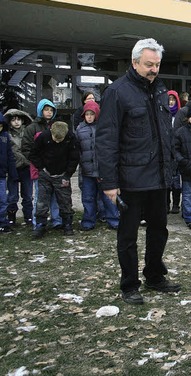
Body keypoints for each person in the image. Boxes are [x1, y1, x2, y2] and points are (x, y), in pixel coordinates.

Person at [96, 38, 181, 305]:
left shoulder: (159, 90)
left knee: (159, 230)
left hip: (158, 178)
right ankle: (130, 285)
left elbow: (164, 133)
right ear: (134, 62)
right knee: (128, 235)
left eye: (156, 64)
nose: (154, 69)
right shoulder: (117, 92)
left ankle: (155, 275)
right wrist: (109, 183)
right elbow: (107, 140)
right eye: (148, 64)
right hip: (131, 180)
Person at [29, 121, 79, 238]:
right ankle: (40, 225)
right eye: (55, 139)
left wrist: (68, 174)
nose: (57, 141)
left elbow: (74, 158)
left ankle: (67, 224)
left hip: (62, 175)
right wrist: (41, 167)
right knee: (42, 201)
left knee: (65, 201)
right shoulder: (43, 137)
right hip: (45, 175)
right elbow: (33, 154)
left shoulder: (71, 138)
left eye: (60, 139)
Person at [75, 101, 119, 231]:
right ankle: (88, 221)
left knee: (108, 197)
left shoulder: (103, 128)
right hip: (87, 171)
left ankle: (114, 220)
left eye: (92, 114)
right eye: (87, 114)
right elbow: (77, 149)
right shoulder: (79, 129)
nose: (89, 117)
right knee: (88, 197)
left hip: (102, 170)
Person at [23, 98, 63, 229]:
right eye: (46, 110)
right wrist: (39, 165)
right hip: (39, 169)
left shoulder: (55, 126)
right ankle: (38, 223)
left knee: (55, 196)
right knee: (40, 198)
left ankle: (56, 220)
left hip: (55, 168)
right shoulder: (31, 128)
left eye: (51, 110)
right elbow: (27, 149)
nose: (49, 112)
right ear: (41, 110)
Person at [5, 109, 34, 226]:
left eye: (18, 119)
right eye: (13, 120)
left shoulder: (28, 132)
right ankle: (11, 217)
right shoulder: (6, 135)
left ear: (22, 120)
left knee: (27, 195)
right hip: (13, 168)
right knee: (12, 196)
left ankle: (28, 217)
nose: (16, 122)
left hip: (26, 168)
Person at [0, 112, 18, 233]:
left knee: (3, 200)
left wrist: (13, 173)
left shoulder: (5, 136)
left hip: (1, 174)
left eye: (1, 126)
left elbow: (10, 156)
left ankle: (3, 222)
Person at [167, 90, 182, 213]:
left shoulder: (180, 115)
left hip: (177, 150)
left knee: (176, 179)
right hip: (165, 150)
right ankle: (166, 203)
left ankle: (176, 204)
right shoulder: (162, 114)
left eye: (173, 99)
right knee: (166, 179)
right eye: (169, 100)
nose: (171, 102)